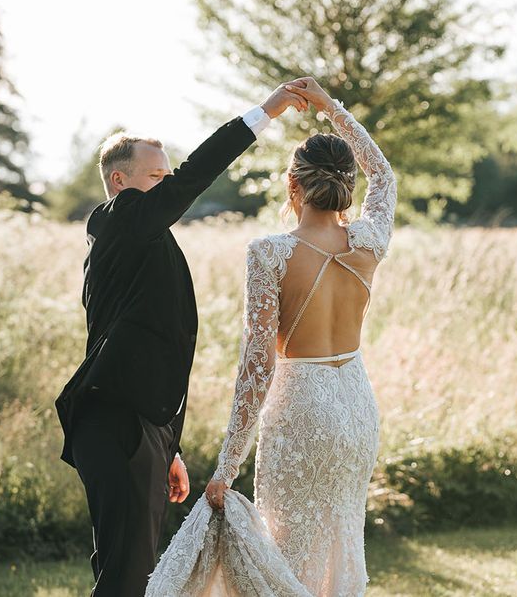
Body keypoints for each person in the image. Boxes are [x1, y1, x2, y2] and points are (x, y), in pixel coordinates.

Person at [54, 80, 310, 597]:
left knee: (128, 572)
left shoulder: (134, 242)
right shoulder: (121, 218)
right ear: (120, 182)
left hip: (132, 423)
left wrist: (167, 443)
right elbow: (196, 174)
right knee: (128, 578)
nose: (169, 184)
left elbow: (150, 340)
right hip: (117, 423)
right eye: (156, 176)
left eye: (166, 175)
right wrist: (266, 113)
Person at [147, 76, 397, 596]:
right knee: (342, 540)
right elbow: (386, 175)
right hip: (355, 404)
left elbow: (256, 368)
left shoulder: (270, 254)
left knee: (286, 552)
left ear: (292, 185)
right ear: (348, 184)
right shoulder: (369, 241)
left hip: (301, 406)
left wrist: (226, 466)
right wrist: (332, 109)